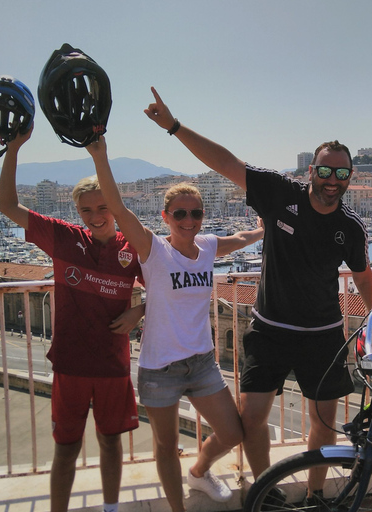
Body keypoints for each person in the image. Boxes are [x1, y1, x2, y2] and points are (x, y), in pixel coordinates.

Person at [142, 87, 372, 499]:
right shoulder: (280, 194)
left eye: (341, 174)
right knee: (251, 419)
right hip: (270, 330)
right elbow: (225, 162)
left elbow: (363, 281)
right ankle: (265, 490)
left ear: (350, 177)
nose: (332, 181)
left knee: (323, 425)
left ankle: (313, 496)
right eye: (325, 171)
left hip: (323, 334)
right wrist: (174, 127)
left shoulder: (352, 227)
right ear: (312, 170)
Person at [87, 135, 264, 512]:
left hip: (201, 362)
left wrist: (267, 227)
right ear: (166, 217)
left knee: (232, 432)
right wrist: (99, 154)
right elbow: (116, 206)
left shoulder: (210, 248)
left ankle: (199, 472)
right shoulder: (153, 249)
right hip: (160, 368)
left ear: (202, 217)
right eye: (180, 214)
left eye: (195, 213)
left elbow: (244, 236)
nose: (189, 220)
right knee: (165, 446)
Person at [0, 126, 145, 512]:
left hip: (113, 364)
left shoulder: (134, 248)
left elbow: (168, 291)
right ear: (77, 212)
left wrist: (140, 309)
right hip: (70, 363)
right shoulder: (63, 238)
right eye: (86, 210)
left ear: (114, 206)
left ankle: (111, 509)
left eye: (103, 208)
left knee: (112, 443)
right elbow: (8, 206)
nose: (96, 217)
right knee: (66, 449)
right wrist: (13, 151)